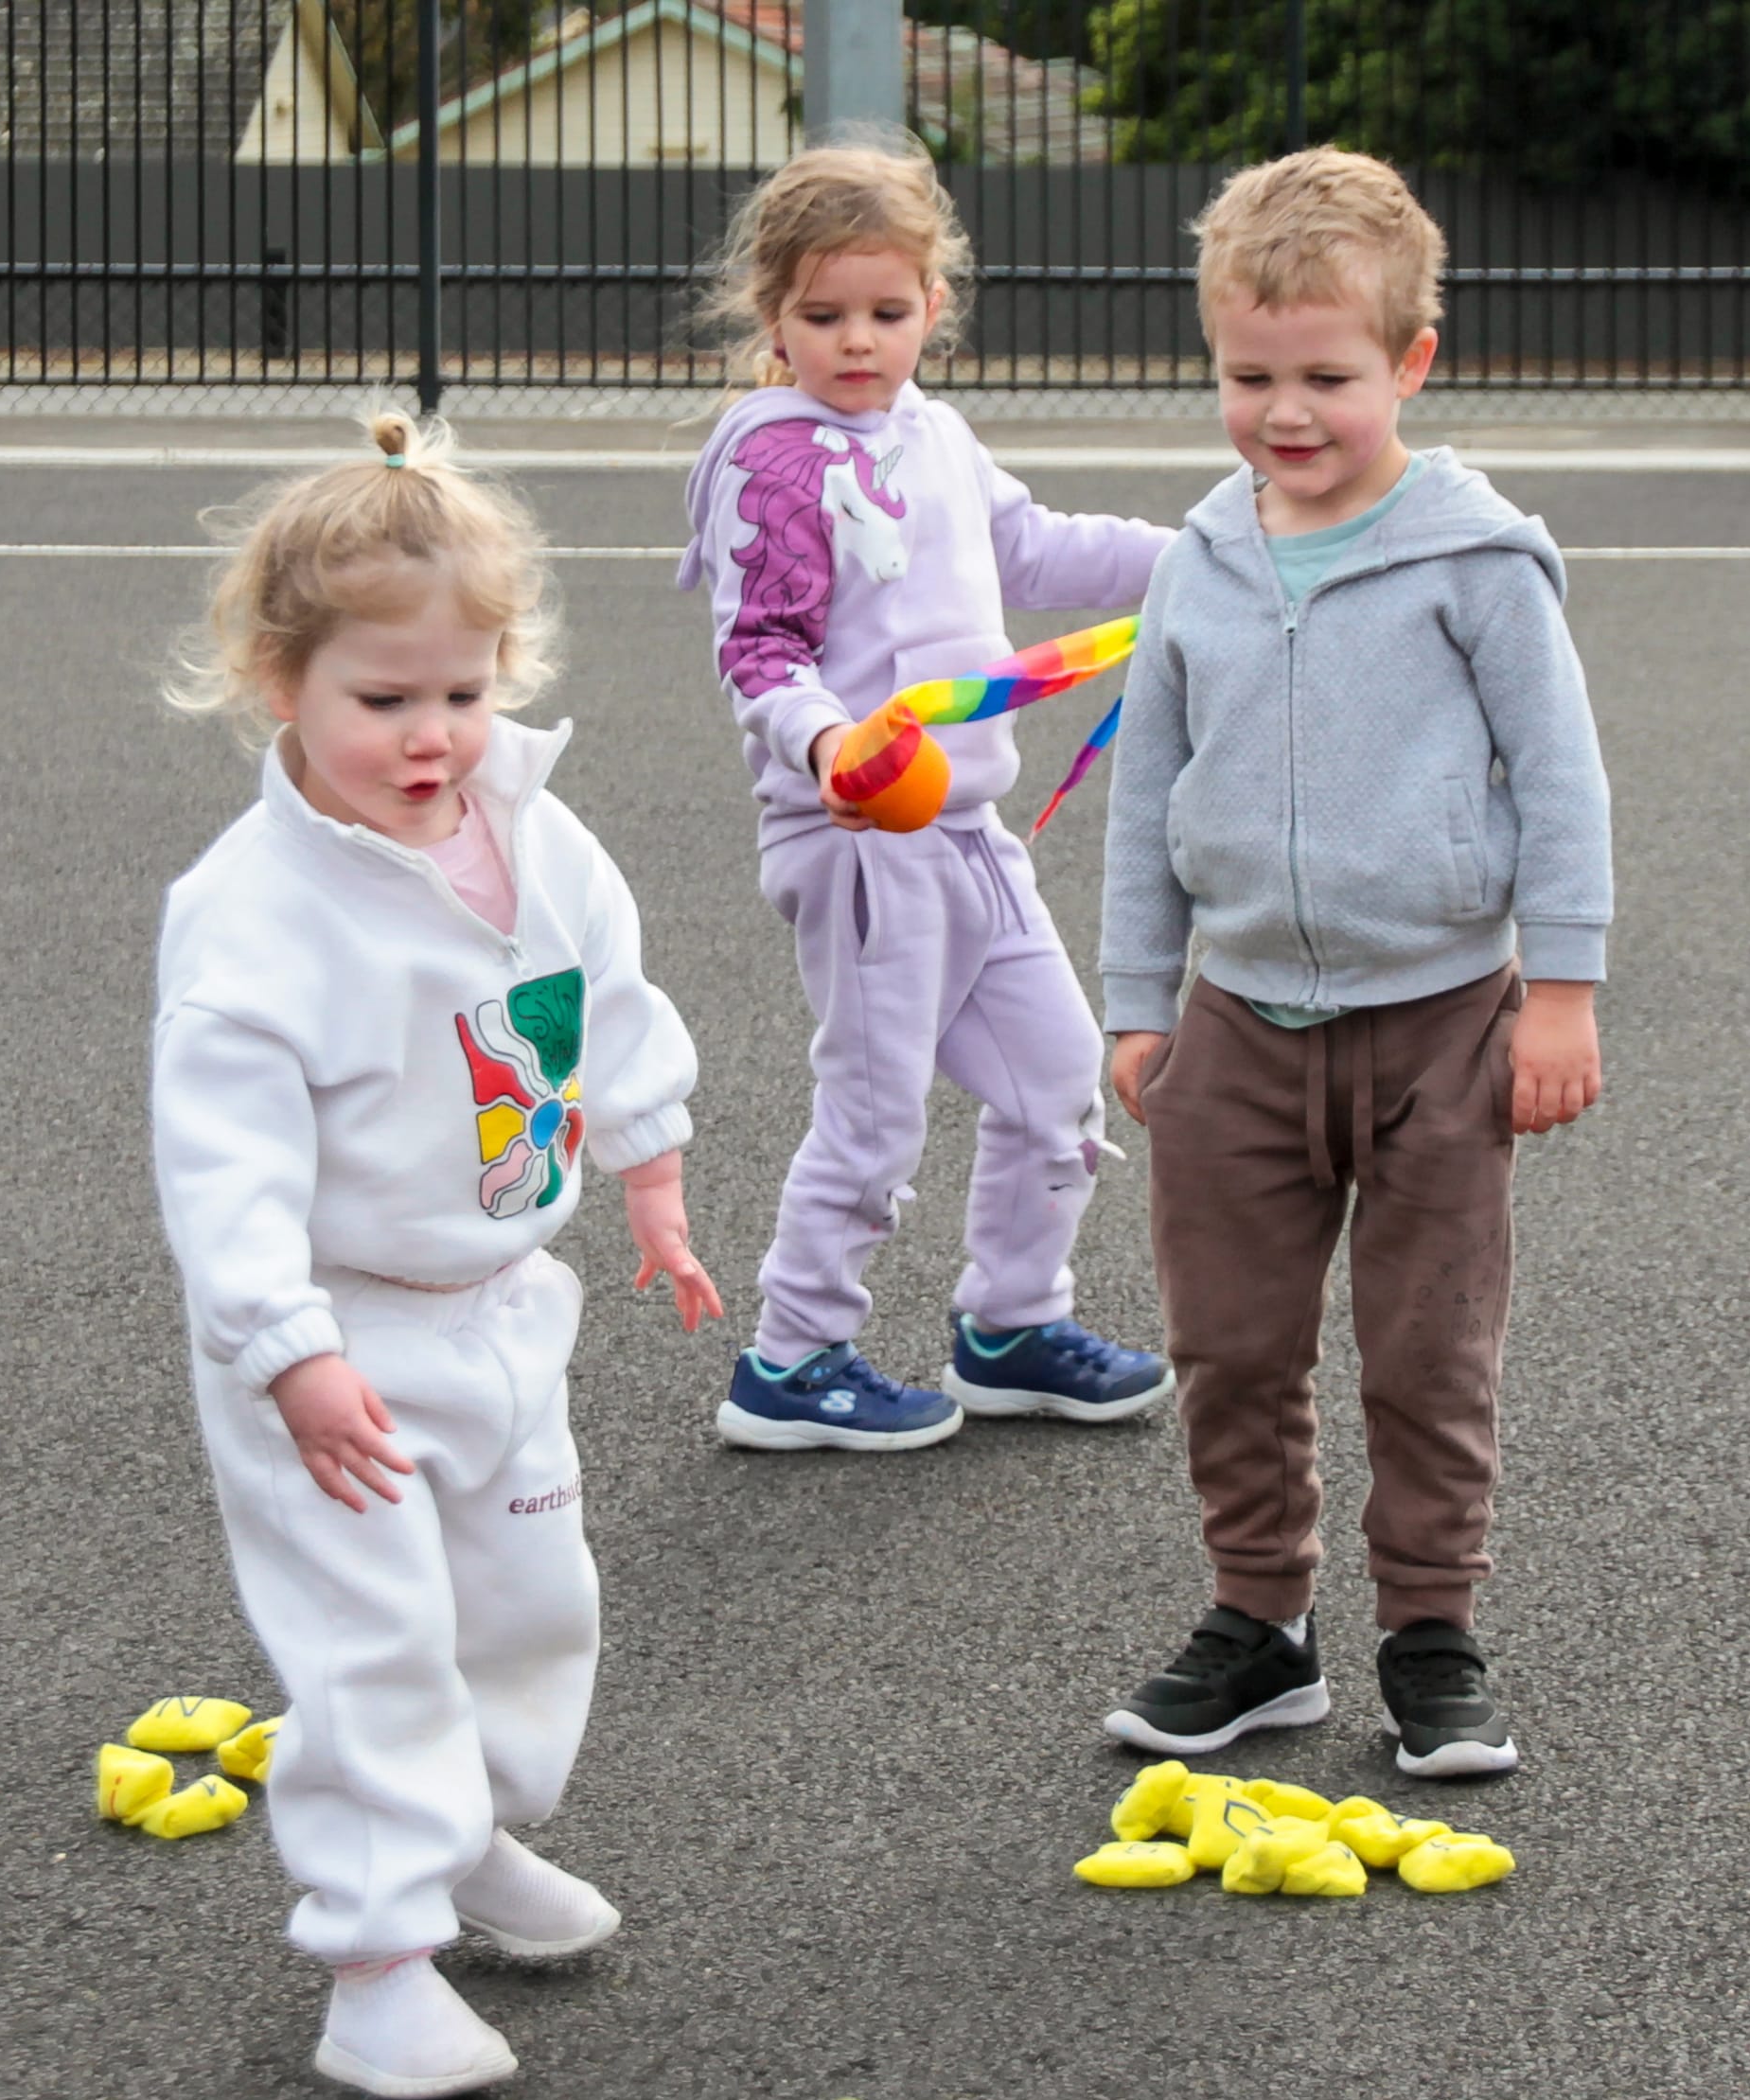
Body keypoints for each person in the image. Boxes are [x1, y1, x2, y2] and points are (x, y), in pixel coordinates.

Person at [156, 414, 718, 2100]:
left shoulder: (538, 835)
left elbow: (606, 1005)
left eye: (461, 697)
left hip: (497, 1312)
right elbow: (225, 1156)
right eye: (381, 703)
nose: (430, 738)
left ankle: (462, 1830)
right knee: (374, 1636)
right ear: (280, 682)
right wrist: (287, 1349)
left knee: (530, 1600)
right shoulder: (255, 909)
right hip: (331, 1341)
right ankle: (375, 1957)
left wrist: (653, 1173)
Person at [1100, 149, 1611, 1777]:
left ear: (1411, 364)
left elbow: (1561, 776)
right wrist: (1134, 998)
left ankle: (1431, 1635)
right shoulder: (1198, 564)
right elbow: (1144, 795)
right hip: (1235, 1026)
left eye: (1327, 375)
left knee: (1425, 1351)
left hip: (1444, 1024)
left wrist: (1565, 990)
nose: (1285, 412)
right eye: (1248, 376)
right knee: (1231, 1344)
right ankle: (1262, 1626)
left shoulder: (1476, 559)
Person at [680, 134, 1177, 1453]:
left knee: (1058, 1077)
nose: (857, 342)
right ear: (772, 316)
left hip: (969, 829)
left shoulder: (938, 434)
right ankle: (792, 1357)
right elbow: (761, 652)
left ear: (932, 310)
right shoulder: (773, 458)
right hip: (855, 840)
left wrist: (1198, 557)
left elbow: (1037, 544)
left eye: (887, 314)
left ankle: (1012, 1326)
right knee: (876, 1104)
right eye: (824, 316)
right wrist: (826, 745)